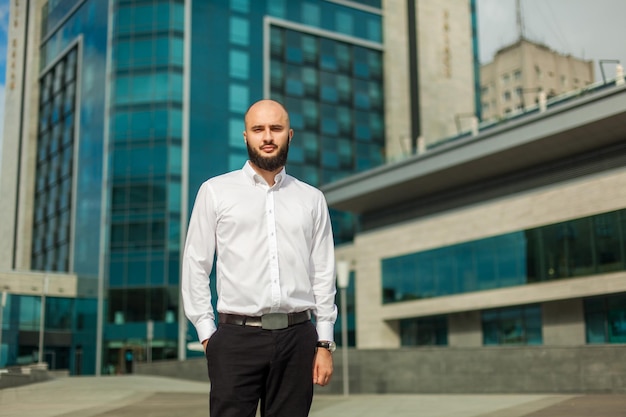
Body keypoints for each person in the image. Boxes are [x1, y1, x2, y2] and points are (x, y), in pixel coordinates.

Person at [181, 99, 337, 417]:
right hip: (236, 338)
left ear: (289, 135)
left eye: (276, 129)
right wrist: (207, 334)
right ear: (246, 137)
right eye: (258, 129)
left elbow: (323, 272)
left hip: (298, 338)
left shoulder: (311, 199)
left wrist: (324, 342)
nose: (267, 137)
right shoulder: (215, 192)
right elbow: (196, 264)